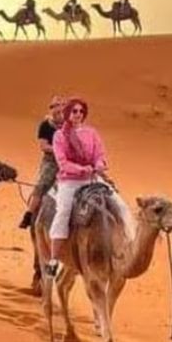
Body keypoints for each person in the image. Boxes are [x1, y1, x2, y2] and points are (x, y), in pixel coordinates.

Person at [44, 98, 128, 279]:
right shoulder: (60, 136)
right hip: (70, 181)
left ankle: (126, 244)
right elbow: (62, 162)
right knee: (63, 212)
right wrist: (82, 169)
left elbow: (100, 155)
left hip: (93, 179)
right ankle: (53, 260)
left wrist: (98, 165)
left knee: (119, 203)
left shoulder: (92, 133)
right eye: (74, 111)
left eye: (81, 111)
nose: (78, 115)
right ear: (68, 113)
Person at [18, 95, 65, 229]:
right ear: (51, 109)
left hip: (68, 161)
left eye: (60, 105)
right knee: (42, 185)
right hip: (51, 161)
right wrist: (59, 151)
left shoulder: (68, 125)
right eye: (55, 106)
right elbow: (43, 146)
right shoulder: (45, 125)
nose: (58, 109)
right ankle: (29, 214)